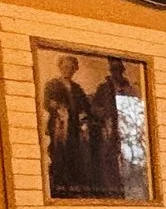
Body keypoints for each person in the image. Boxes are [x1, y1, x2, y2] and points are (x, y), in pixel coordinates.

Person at [43, 53, 94, 196]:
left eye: (71, 68)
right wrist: (56, 107)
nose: (68, 70)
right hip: (58, 125)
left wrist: (84, 114)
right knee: (58, 152)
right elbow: (46, 103)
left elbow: (85, 106)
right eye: (65, 67)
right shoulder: (52, 85)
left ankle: (72, 186)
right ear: (60, 68)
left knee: (73, 153)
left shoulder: (77, 88)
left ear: (75, 69)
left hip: (74, 128)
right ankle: (58, 186)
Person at [86, 56, 137, 196]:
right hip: (108, 128)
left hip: (126, 129)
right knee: (109, 156)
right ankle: (111, 188)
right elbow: (94, 108)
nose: (117, 72)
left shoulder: (130, 89)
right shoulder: (103, 88)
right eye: (113, 69)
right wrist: (104, 114)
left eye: (119, 69)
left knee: (128, 157)